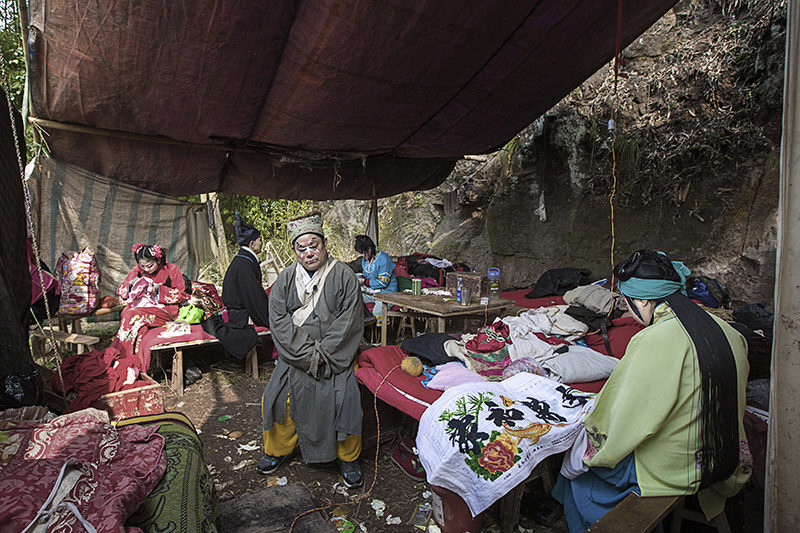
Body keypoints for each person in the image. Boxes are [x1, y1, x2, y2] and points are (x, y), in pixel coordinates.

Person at [552, 250, 751, 532]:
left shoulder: (655, 339)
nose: (628, 311)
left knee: (578, 465)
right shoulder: (728, 331)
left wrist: (586, 448)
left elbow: (625, 417)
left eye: (626, 302)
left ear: (643, 300)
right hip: (726, 456)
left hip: (677, 468)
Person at [259, 211, 365, 488]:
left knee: (346, 398)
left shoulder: (344, 275)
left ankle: (348, 457)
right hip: (297, 355)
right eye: (301, 248)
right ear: (294, 251)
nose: (308, 253)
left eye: (313, 245)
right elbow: (279, 323)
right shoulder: (284, 280)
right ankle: (278, 450)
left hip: (335, 356)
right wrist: (307, 356)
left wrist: (323, 356)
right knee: (277, 397)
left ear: (325, 244)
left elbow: (349, 323)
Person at [202, 213, 270, 359]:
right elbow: (253, 295)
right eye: (259, 240)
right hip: (240, 317)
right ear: (251, 244)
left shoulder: (243, 259)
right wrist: (268, 317)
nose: (262, 243)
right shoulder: (244, 263)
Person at [113, 243, 188, 368]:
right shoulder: (138, 270)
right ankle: (134, 363)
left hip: (165, 310)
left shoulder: (172, 269)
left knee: (132, 315)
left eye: (149, 265)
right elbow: (121, 290)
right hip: (141, 308)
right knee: (135, 323)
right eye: (142, 265)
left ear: (158, 260)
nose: (146, 269)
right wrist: (131, 285)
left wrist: (159, 289)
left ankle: (119, 355)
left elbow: (181, 295)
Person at [353, 234, 397, 323]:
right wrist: (361, 277)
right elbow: (367, 274)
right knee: (353, 297)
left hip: (387, 294)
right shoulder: (365, 260)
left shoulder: (384, 259)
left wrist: (364, 281)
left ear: (369, 249)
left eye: (363, 252)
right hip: (373, 293)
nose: (362, 255)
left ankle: (386, 331)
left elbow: (383, 282)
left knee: (377, 312)